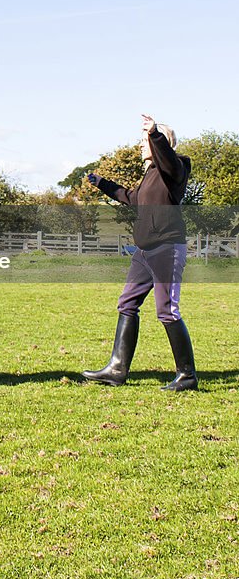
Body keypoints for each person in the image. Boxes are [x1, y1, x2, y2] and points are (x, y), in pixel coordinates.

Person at [82, 114, 198, 392]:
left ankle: (187, 375)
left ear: (162, 143)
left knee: (167, 310)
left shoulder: (176, 167)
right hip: (144, 252)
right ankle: (117, 369)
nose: (141, 146)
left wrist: (155, 133)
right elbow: (131, 197)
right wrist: (101, 182)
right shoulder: (150, 176)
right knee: (127, 303)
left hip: (166, 249)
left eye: (144, 142)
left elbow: (168, 160)